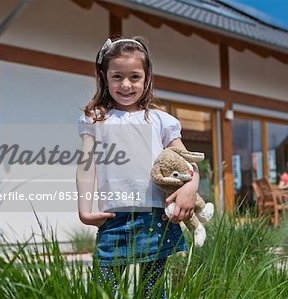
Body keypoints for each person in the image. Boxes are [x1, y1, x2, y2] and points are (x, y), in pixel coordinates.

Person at [76, 37, 199, 298]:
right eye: (117, 76)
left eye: (134, 76)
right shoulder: (96, 118)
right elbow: (86, 165)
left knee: (152, 291)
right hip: (113, 220)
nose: (126, 84)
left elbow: (186, 162)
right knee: (105, 290)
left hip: (156, 217)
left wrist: (191, 188)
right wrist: (84, 210)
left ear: (146, 78)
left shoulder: (160, 120)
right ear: (104, 77)